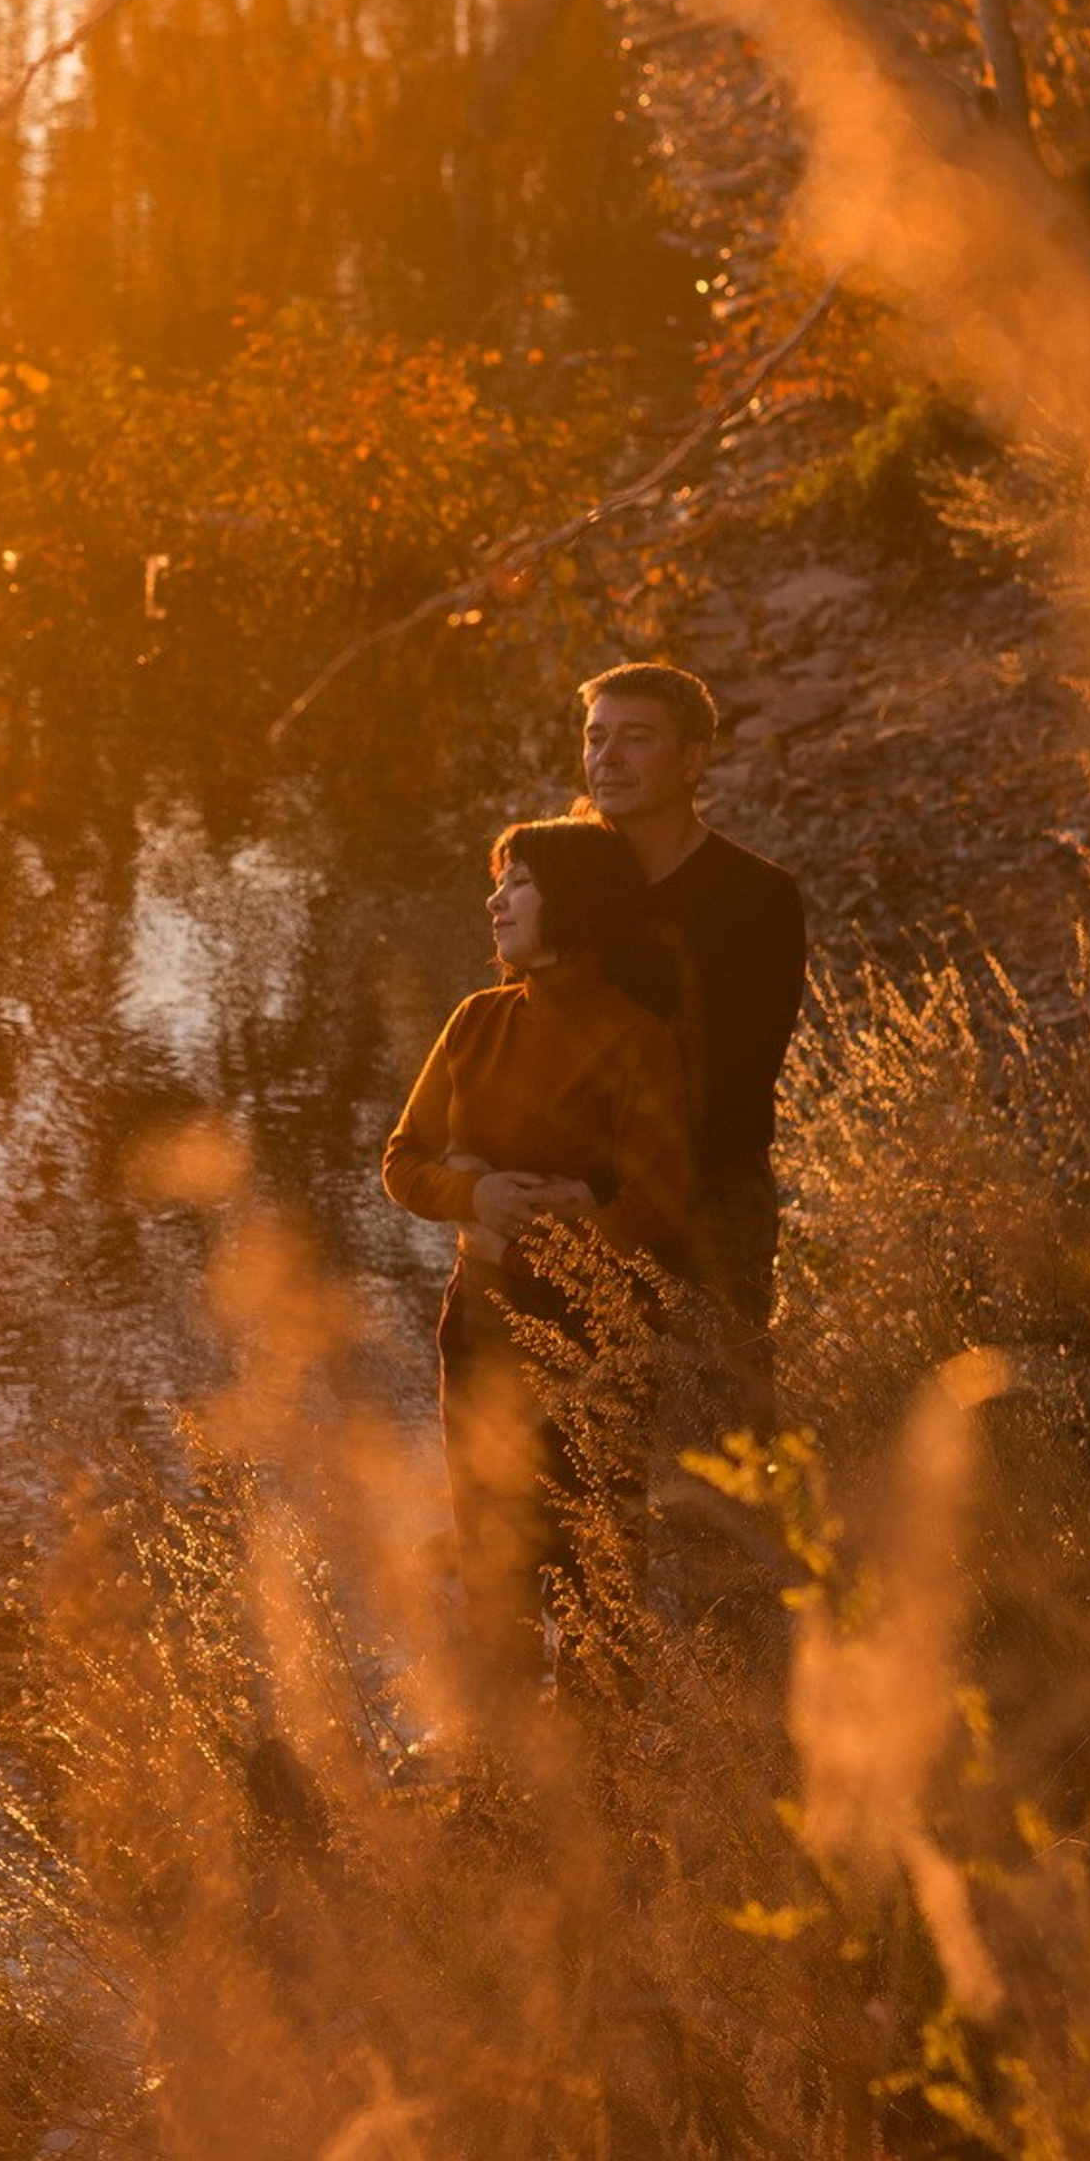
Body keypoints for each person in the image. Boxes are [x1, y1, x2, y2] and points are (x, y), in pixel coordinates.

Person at [381, 817, 692, 1683]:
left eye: (517, 882)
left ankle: (602, 1787)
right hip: (479, 1324)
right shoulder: (476, 1021)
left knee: (596, 1566)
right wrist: (471, 1193)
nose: (495, 899)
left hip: (595, 1335)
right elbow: (401, 1162)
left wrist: (560, 1219)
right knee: (492, 1560)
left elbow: (660, 1202)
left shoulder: (637, 1039)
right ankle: (509, 1784)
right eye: (498, 881)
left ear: (576, 902)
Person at [577, 662, 806, 1344]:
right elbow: (519, 1040)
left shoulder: (756, 897)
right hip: (572, 1205)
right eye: (595, 737)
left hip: (709, 1206)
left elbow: (738, 1080)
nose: (607, 758)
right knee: (568, 1440)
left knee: (714, 1431)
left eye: (636, 738)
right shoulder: (565, 886)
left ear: (692, 759)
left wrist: (627, 1202)